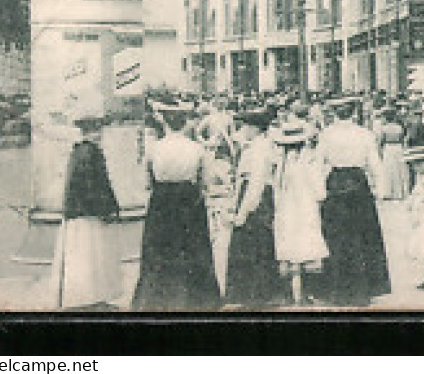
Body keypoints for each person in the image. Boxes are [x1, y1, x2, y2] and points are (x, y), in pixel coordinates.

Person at [131, 104, 222, 310]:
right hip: (189, 201)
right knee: (192, 249)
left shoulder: (154, 148)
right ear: (185, 123)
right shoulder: (197, 148)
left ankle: (156, 297)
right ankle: (197, 299)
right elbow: (206, 181)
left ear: (165, 123)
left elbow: (146, 181)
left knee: (160, 250)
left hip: (162, 201)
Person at [315, 97, 391, 306]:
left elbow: (318, 164)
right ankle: (364, 289)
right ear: (353, 113)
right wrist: (381, 190)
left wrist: (319, 192)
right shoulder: (365, 134)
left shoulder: (326, 134)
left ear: (335, 113)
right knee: (362, 235)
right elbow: (375, 163)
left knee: (336, 237)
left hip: (336, 182)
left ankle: (336, 290)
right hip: (358, 184)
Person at [50, 116, 124, 310]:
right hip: (89, 213)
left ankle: (84, 296)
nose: (100, 134)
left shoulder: (78, 151)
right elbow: (94, 186)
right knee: (92, 253)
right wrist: (106, 209)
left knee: (84, 255)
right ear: (90, 132)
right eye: (97, 130)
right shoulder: (91, 152)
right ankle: (90, 297)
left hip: (78, 212)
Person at [223, 108, 282, 308]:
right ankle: (255, 293)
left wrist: (243, 211)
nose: (243, 129)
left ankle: (255, 294)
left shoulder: (259, 150)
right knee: (255, 245)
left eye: (246, 126)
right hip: (251, 197)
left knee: (253, 245)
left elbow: (255, 183)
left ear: (255, 128)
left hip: (254, 200)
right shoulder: (257, 146)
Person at [271, 119, 327, 306]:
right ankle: (306, 293)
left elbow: (276, 191)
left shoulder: (281, 164)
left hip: (287, 209)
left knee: (289, 248)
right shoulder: (309, 161)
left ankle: (290, 294)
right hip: (305, 208)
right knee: (306, 248)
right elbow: (320, 191)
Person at [375, 110, 412, 201]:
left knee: (388, 169)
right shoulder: (399, 127)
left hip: (389, 148)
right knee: (398, 170)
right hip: (398, 147)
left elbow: (380, 141)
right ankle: (399, 192)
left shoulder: (384, 128)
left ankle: (388, 192)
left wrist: (379, 152)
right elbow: (402, 139)